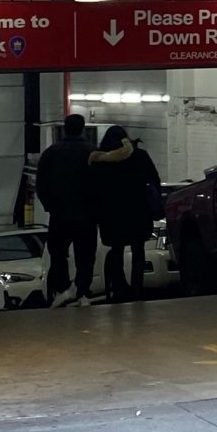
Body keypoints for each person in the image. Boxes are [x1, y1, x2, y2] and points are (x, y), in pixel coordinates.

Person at [88, 123, 165, 304]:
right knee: (139, 250)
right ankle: (137, 290)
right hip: (138, 212)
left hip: (111, 215)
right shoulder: (139, 156)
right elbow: (154, 179)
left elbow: (92, 189)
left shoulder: (99, 161)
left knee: (116, 251)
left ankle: (120, 289)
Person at [33, 114, 98, 305]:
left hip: (59, 214)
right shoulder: (92, 153)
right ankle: (83, 291)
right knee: (86, 254)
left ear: (64, 128)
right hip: (87, 215)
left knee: (58, 252)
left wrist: (50, 205)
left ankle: (63, 289)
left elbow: (41, 183)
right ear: (83, 128)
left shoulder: (51, 153)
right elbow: (101, 184)